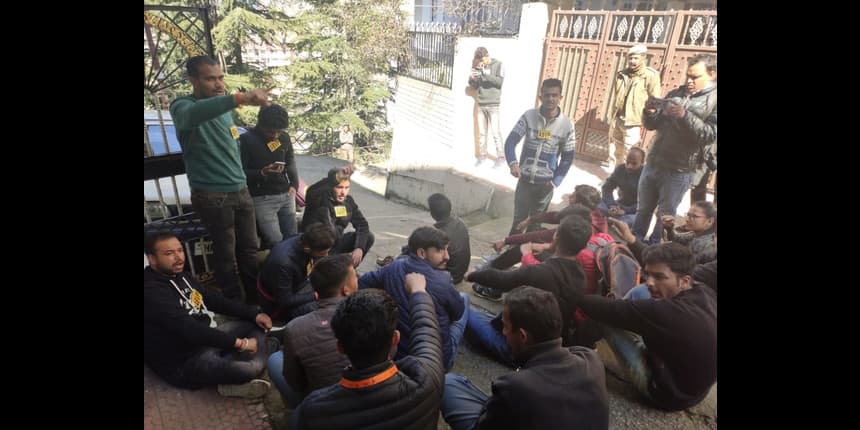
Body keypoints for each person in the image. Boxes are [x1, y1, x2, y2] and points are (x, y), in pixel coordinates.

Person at [169, 55, 272, 303]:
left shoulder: (225, 111)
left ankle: (255, 301)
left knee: (248, 250)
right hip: (212, 195)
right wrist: (241, 98)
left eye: (221, 78)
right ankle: (234, 304)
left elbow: (231, 147)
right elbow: (193, 115)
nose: (218, 84)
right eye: (210, 79)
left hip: (240, 191)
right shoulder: (182, 106)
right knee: (226, 257)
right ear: (193, 80)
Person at [572, 242, 717, 411]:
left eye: (659, 277)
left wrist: (570, 293)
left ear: (685, 281)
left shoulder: (666, 313)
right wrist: (632, 240)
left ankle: (574, 358)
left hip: (669, 393)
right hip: (694, 387)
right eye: (647, 274)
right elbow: (653, 286)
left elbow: (602, 308)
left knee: (605, 318)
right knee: (641, 291)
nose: (650, 282)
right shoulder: (703, 291)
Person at [289, 275, 445, 429]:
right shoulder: (428, 379)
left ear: (340, 348)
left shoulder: (315, 409)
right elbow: (426, 329)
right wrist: (418, 291)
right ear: (395, 339)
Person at [441, 286, 609, 430]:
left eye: (505, 327)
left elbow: (485, 426)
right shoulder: (590, 359)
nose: (504, 332)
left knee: (447, 383)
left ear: (522, 336)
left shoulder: (515, 387)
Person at [144, 232, 277, 399]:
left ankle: (244, 356)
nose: (178, 257)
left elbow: (213, 300)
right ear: (152, 259)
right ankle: (230, 381)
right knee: (248, 369)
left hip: (206, 336)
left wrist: (254, 314)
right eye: (169, 253)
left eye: (180, 250)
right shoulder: (151, 292)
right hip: (184, 360)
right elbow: (189, 329)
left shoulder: (180, 275)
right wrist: (241, 344)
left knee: (255, 323)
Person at [465, 214, 590, 367]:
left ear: (556, 237)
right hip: (547, 345)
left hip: (518, 349)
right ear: (583, 246)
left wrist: (472, 275)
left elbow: (501, 279)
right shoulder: (580, 275)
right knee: (491, 317)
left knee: (461, 303)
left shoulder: (539, 272)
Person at [633, 54, 717, 245]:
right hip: (653, 163)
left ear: (712, 74)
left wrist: (685, 115)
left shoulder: (713, 101)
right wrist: (649, 112)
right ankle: (634, 244)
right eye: (687, 76)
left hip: (679, 170)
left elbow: (710, 135)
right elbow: (652, 125)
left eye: (695, 77)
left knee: (665, 217)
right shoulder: (675, 94)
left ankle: (654, 249)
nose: (689, 81)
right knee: (643, 210)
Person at [359, 226, 466, 372]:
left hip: (399, 355)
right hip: (435, 363)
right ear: (422, 253)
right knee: (464, 299)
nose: (447, 256)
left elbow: (362, 283)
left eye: (447, 249)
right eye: (441, 250)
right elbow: (457, 314)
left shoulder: (393, 266)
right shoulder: (443, 281)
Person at [266, 254, 355, 408]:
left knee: (274, 359)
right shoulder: (370, 315)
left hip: (321, 405)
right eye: (356, 276)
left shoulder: (295, 328)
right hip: (364, 397)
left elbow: (296, 384)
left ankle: (297, 411)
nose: (358, 279)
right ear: (346, 290)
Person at [503, 78, 576, 236]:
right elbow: (510, 142)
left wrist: (555, 182)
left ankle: (528, 258)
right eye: (547, 95)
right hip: (524, 180)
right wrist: (513, 164)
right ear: (540, 96)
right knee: (518, 220)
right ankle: (508, 252)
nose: (550, 99)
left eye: (554, 95)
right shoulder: (528, 117)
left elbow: (568, 157)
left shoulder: (567, 125)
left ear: (560, 97)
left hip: (545, 185)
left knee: (535, 224)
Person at [239, 104, 300, 249]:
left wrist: (294, 185)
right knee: (275, 241)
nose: (275, 135)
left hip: (286, 194)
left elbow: (290, 162)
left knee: (292, 238)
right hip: (262, 197)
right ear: (261, 125)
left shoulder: (284, 138)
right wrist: (262, 172)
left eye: (279, 131)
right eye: (271, 132)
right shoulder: (246, 140)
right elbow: (240, 171)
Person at [258, 222, 337, 322]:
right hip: (277, 306)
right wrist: (314, 296)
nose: (326, 255)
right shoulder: (283, 263)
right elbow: (284, 301)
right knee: (325, 306)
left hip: (298, 284)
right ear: (307, 249)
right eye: (322, 253)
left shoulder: (303, 239)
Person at [302, 167, 374, 267]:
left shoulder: (348, 201)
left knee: (368, 237)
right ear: (331, 186)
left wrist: (359, 248)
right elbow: (311, 191)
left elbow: (362, 225)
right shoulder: (317, 199)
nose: (343, 192)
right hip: (319, 249)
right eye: (339, 187)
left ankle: (348, 272)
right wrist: (335, 178)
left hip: (337, 245)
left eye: (346, 187)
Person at [608, 44, 661, 166]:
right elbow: (616, 95)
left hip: (633, 122)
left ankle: (630, 179)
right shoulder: (622, 74)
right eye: (630, 58)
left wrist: (648, 117)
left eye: (636, 58)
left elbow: (655, 99)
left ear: (643, 58)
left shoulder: (650, 75)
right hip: (619, 118)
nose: (632, 61)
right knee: (616, 151)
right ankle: (616, 176)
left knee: (631, 153)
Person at [468, 47, 505, 168]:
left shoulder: (498, 65)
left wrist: (485, 74)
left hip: (494, 105)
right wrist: (472, 79)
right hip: (481, 104)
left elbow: (499, 82)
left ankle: (500, 157)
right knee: (482, 133)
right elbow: (474, 86)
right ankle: (482, 156)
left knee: (496, 132)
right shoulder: (479, 66)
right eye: (480, 61)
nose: (482, 63)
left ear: (487, 56)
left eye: (483, 60)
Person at [598, 146, 646, 232]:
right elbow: (607, 188)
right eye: (627, 162)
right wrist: (611, 204)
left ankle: (612, 220)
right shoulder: (621, 169)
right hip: (619, 205)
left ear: (642, 162)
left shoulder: (646, 176)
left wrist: (625, 211)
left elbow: (645, 203)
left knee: (635, 220)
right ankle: (614, 220)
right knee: (596, 202)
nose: (629, 166)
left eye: (634, 163)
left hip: (636, 211)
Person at [428, 193, 471, 284]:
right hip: (460, 273)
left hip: (449, 277)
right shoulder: (460, 222)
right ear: (450, 209)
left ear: (432, 213)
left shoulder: (439, 235)